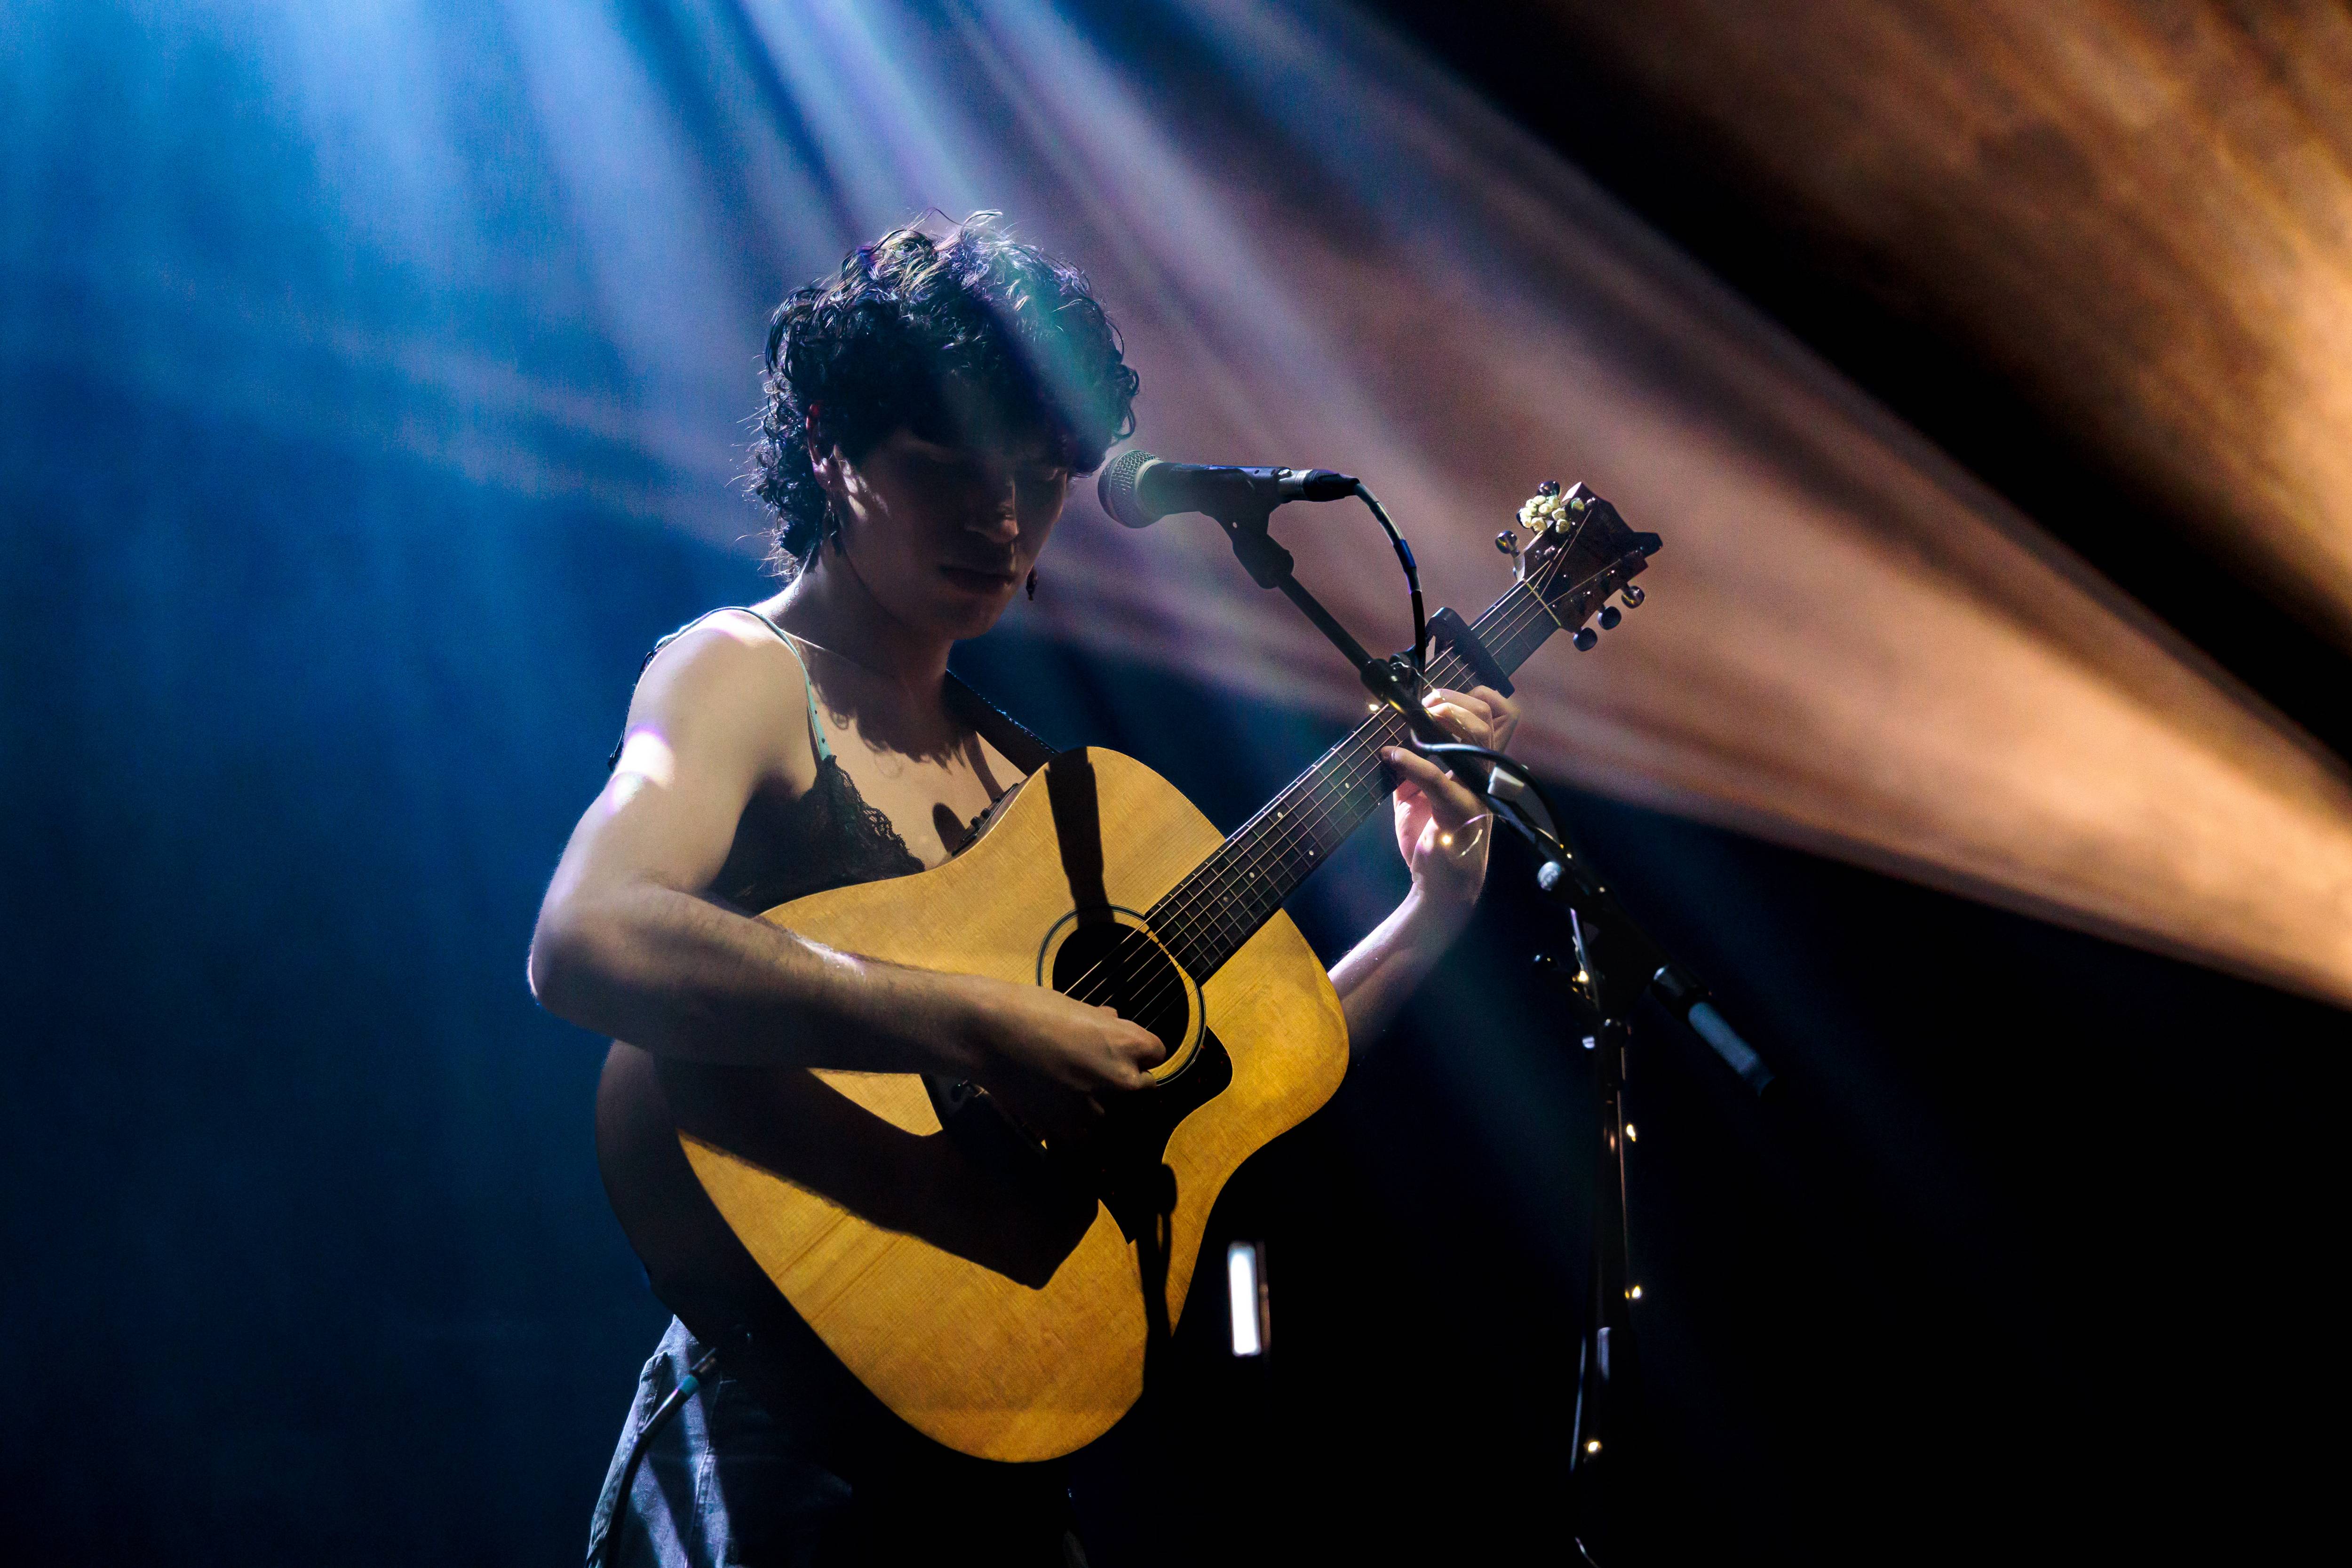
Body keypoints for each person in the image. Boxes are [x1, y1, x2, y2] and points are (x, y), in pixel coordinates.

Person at [528, 214, 1516, 1567]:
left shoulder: (1043, 790)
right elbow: (585, 935)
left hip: (1000, 1469)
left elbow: (1233, 1078)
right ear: (828, 441)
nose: (1001, 518)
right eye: (949, 464)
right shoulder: (740, 674)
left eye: (1041, 476)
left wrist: (1427, 916)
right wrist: (980, 1024)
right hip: (775, 1455)